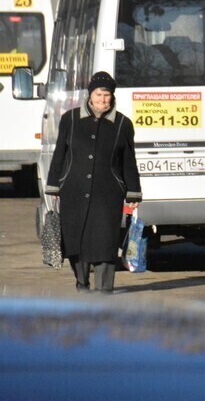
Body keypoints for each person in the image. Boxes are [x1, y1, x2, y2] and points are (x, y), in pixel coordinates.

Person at [44, 71, 141, 293]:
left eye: (107, 95)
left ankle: (104, 290)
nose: (103, 100)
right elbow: (60, 152)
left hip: (107, 193)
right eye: (99, 94)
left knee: (105, 242)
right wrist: (54, 184)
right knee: (75, 241)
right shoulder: (70, 119)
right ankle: (82, 283)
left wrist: (133, 192)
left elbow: (128, 161)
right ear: (90, 95)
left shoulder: (122, 124)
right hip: (73, 190)